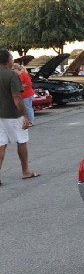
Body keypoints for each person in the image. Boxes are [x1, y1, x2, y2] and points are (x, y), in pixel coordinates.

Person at [0, 49, 39, 185]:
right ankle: (25, 171)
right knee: (21, 141)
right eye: (11, 58)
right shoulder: (11, 75)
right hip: (13, 115)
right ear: (7, 60)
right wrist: (24, 115)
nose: (13, 60)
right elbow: (17, 97)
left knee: (1, 145)